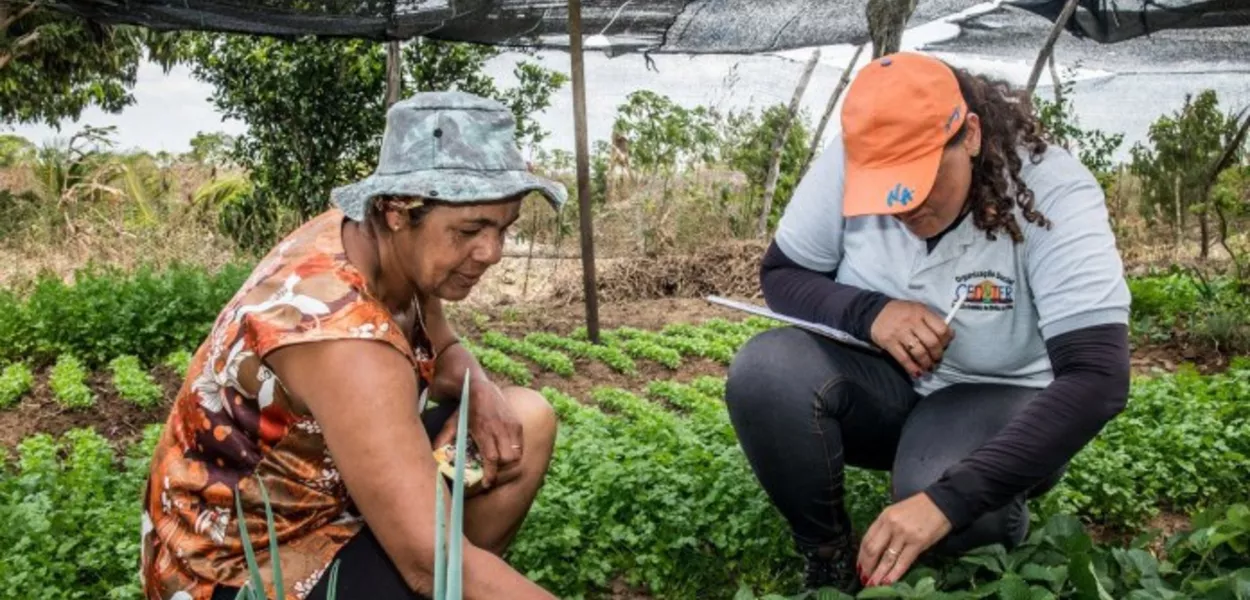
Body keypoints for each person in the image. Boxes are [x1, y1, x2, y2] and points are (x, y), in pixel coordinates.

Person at [724, 51, 1131, 594]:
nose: (902, 206)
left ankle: (980, 508)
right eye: (884, 186)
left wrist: (948, 500)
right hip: (885, 383)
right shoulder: (850, 154)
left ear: (969, 136)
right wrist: (869, 313)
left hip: (1001, 396)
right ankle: (828, 556)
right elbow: (782, 273)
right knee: (766, 372)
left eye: (919, 178)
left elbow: (1098, 377)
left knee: (944, 494)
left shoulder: (1053, 190)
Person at [140, 91, 568, 600]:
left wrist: (484, 394)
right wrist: (440, 564)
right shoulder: (342, 336)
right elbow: (429, 566)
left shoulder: (387, 251)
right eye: (471, 230)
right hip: (240, 562)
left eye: (504, 227)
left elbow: (446, 349)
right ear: (395, 212)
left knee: (527, 419)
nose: (491, 252)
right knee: (438, 569)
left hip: (328, 496)